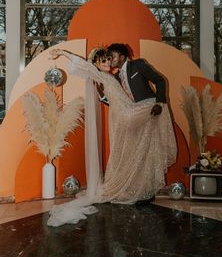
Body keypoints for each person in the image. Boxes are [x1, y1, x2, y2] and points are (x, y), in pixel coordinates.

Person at [47, 47, 177, 226]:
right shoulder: (106, 76)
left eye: (111, 57)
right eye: (105, 60)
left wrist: (160, 103)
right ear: (98, 63)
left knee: (146, 152)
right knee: (131, 153)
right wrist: (63, 52)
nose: (109, 61)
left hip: (135, 112)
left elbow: (157, 82)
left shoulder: (130, 69)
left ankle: (145, 192)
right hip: (129, 115)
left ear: (122, 56)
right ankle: (133, 190)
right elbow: (86, 66)